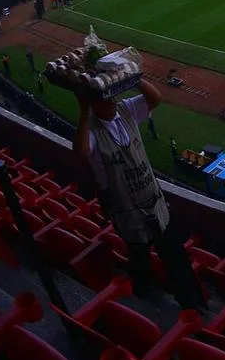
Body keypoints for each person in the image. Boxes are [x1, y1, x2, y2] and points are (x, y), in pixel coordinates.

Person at [72, 74, 199, 306]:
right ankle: (147, 300)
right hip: (126, 210)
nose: (112, 104)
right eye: (106, 101)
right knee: (140, 258)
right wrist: (83, 111)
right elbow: (81, 152)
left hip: (153, 200)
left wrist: (132, 77)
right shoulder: (91, 129)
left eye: (113, 98)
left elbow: (155, 98)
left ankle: (192, 301)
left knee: (176, 257)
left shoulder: (125, 109)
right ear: (93, 105)